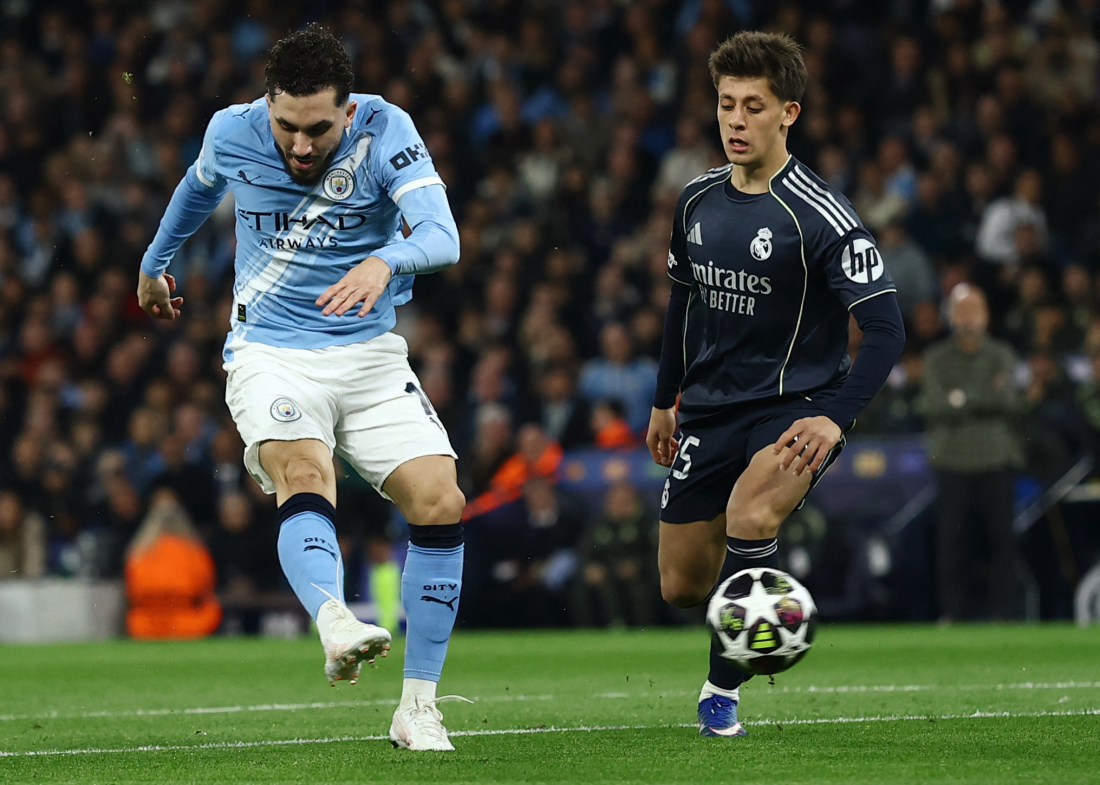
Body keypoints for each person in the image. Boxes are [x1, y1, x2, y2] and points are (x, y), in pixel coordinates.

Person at [136, 25, 467, 751]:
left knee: (441, 498)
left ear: (348, 112)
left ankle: (417, 707)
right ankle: (334, 620)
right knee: (305, 468)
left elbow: (443, 236)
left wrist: (388, 260)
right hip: (270, 350)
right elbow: (197, 190)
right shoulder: (234, 130)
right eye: (287, 126)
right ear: (268, 105)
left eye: (319, 128)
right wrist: (154, 263)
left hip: (371, 352)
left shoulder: (387, 130)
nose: (302, 145)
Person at [645, 32, 905, 738]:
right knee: (680, 585)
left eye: (752, 106)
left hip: (798, 405)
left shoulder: (821, 215)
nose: (734, 120)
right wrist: (665, 399)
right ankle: (756, 606)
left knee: (753, 515)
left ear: (788, 113)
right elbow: (681, 300)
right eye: (726, 104)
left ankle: (720, 692)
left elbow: (885, 329)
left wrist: (837, 418)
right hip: (707, 410)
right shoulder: (696, 198)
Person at [918, 284, 1025, 621]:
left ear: (986, 315)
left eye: (974, 310)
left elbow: (1009, 400)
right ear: (949, 316)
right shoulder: (935, 358)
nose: (968, 318)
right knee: (952, 543)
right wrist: (983, 396)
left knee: (1001, 541)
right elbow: (934, 405)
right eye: (961, 311)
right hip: (951, 460)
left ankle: (1004, 614)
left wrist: (961, 398)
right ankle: (953, 613)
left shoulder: (1002, 354)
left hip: (996, 458)